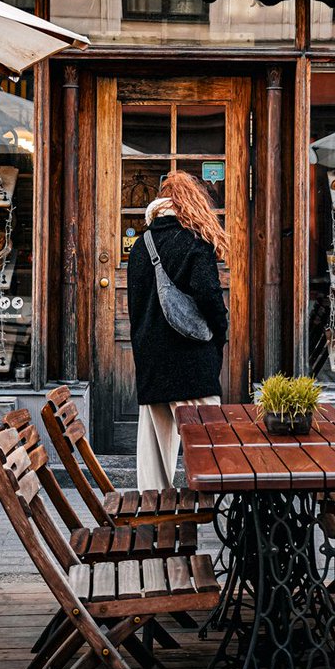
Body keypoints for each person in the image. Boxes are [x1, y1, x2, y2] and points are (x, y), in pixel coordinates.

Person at [127, 170, 228, 491]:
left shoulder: (141, 246)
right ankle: (213, 504)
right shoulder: (194, 241)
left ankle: (154, 511)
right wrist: (219, 337)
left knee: (154, 455)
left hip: (152, 362)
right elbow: (211, 298)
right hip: (191, 362)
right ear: (192, 203)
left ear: (158, 206)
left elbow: (136, 306)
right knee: (208, 444)